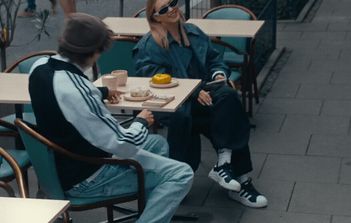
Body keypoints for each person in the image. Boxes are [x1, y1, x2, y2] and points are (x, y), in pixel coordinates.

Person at [28, 13, 193, 223]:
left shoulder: (40, 67)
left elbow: (64, 98)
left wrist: (103, 92)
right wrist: (142, 121)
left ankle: (153, 212)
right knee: (181, 173)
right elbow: (123, 143)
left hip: (60, 164)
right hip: (86, 178)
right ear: (94, 53)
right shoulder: (78, 91)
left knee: (157, 143)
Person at [133, 0, 267, 208]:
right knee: (227, 109)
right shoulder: (150, 45)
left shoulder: (193, 31)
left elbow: (214, 58)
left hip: (208, 95)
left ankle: (226, 166)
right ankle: (238, 176)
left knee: (228, 98)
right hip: (175, 105)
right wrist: (194, 91)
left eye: (173, 3)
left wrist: (219, 74)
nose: (172, 9)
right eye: (164, 9)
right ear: (155, 17)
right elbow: (155, 79)